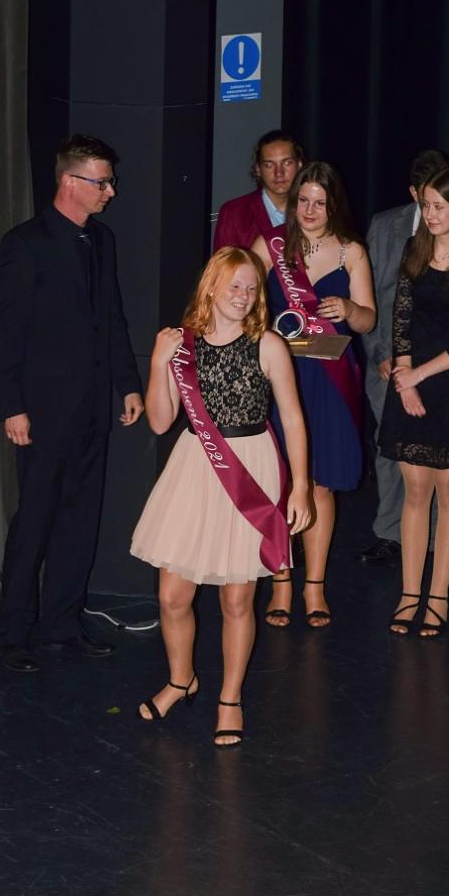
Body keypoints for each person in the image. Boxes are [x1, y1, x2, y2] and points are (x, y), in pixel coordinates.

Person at [131, 247, 310, 746]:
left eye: (252, 287)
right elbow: (160, 422)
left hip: (250, 469)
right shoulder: (180, 346)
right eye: (234, 285)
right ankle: (180, 680)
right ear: (211, 287)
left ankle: (230, 698)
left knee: (236, 599)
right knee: (172, 596)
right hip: (195, 466)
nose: (244, 295)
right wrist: (158, 363)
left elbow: (293, 418)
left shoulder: (268, 345)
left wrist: (299, 486)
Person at [0, 134, 144, 672]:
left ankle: (62, 622)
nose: (111, 192)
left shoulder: (101, 240)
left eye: (109, 182)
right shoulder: (24, 243)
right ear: (69, 182)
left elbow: (112, 318)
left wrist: (128, 383)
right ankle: (14, 632)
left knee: (80, 520)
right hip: (43, 411)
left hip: (93, 407)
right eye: (102, 182)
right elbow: (5, 332)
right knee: (34, 520)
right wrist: (12, 406)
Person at [252, 162, 376, 628]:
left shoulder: (351, 251)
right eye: (303, 200)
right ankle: (281, 582)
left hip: (331, 376)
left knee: (321, 485)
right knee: (280, 481)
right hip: (281, 373)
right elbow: (239, 297)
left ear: (333, 205)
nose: (309, 210)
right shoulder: (270, 245)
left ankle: (315, 586)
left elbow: (368, 320)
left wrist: (349, 308)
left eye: (319, 203)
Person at [360, 150, 449, 563]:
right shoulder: (389, 230)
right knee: (394, 459)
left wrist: (416, 374)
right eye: (426, 201)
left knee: (445, 481)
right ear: (414, 192)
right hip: (394, 362)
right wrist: (392, 362)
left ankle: (437, 552)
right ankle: (391, 536)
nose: (431, 212)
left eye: (440, 204)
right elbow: (378, 300)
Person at [213, 131, 305, 251]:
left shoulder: (318, 210)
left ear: (299, 165)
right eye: (269, 165)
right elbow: (223, 262)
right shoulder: (234, 214)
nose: (279, 173)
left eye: (287, 163)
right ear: (258, 170)